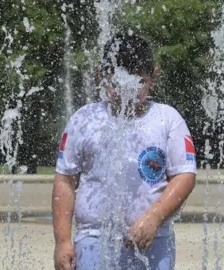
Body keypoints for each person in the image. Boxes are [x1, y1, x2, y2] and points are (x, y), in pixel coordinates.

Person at [52, 33, 197, 270]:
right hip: (93, 238)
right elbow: (65, 181)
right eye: (117, 82)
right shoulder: (84, 119)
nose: (127, 91)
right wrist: (63, 241)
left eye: (138, 83)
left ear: (153, 77)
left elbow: (184, 176)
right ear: (101, 74)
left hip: (153, 239)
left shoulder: (167, 119)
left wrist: (154, 217)